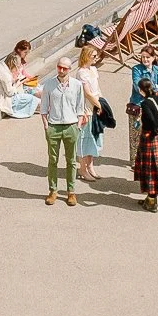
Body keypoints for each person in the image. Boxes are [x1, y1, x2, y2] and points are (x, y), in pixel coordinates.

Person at [40, 56, 90, 205]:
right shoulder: (49, 84)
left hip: (71, 125)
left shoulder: (76, 85)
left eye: (65, 68)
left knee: (71, 161)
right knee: (53, 160)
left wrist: (78, 125)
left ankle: (71, 192)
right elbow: (44, 107)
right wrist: (46, 126)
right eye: (59, 67)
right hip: (53, 126)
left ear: (70, 69)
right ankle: (53, 190)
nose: (61, 70)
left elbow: (80, 107)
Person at [132, 77, 158, 211]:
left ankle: (151, 201)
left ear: (140, 90)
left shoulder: (145, 104)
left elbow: (150, 120)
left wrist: (153, 127)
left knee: (150, 170)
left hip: (149, 137)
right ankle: (150, 199)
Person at [74, 43, 107, 182]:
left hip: (95, 104)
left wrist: (102, 102)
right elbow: (87, 93)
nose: (96, 57)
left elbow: (97, 88)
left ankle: (90, 166)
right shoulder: (81, 72)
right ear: (86, 56)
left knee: (94, 137)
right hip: (87, 108)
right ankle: (82, 168)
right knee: (84, 138)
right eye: (93, 56)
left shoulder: (93, 69)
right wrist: (99, 105)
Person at [0, 52, 39, 118]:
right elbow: (10, 92)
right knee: (32, 99)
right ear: (14, 65)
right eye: (18, 66)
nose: (18, 68)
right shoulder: (5, 75)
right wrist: (17, 84)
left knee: (28, 89)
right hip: (3, 101)